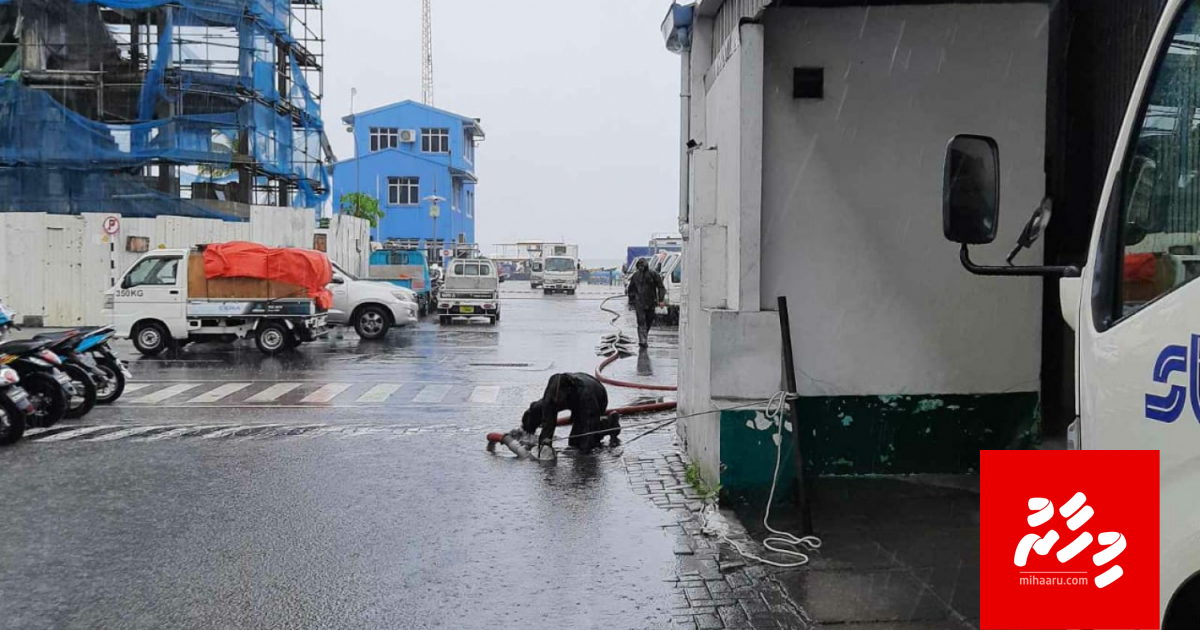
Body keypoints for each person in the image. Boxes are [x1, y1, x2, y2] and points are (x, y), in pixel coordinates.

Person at [521, 372, 621, 454]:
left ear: (568, 391)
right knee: (541, 410)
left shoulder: (585, 395)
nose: (557, 402)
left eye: (560, 399)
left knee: (576, 443)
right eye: (554, 400)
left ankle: (608, 424)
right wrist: (544, 444)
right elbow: (548, 423)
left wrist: (583, 454)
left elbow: (588, 428)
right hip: (575, 398)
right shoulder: (550, 396)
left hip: (598, 397)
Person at [626, 258, 666, 348]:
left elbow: (661, 287)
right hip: (639, 303)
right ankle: (642, 340)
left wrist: (661, 299)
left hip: (651, 302)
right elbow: (631, 289)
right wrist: (631, 302)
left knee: (648, 321)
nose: (641, 268)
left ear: (646, 265)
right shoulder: (635, 276)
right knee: (641, 322)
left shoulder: (653, 274)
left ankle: (644, 336)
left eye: (642, 266)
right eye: (639, 266)